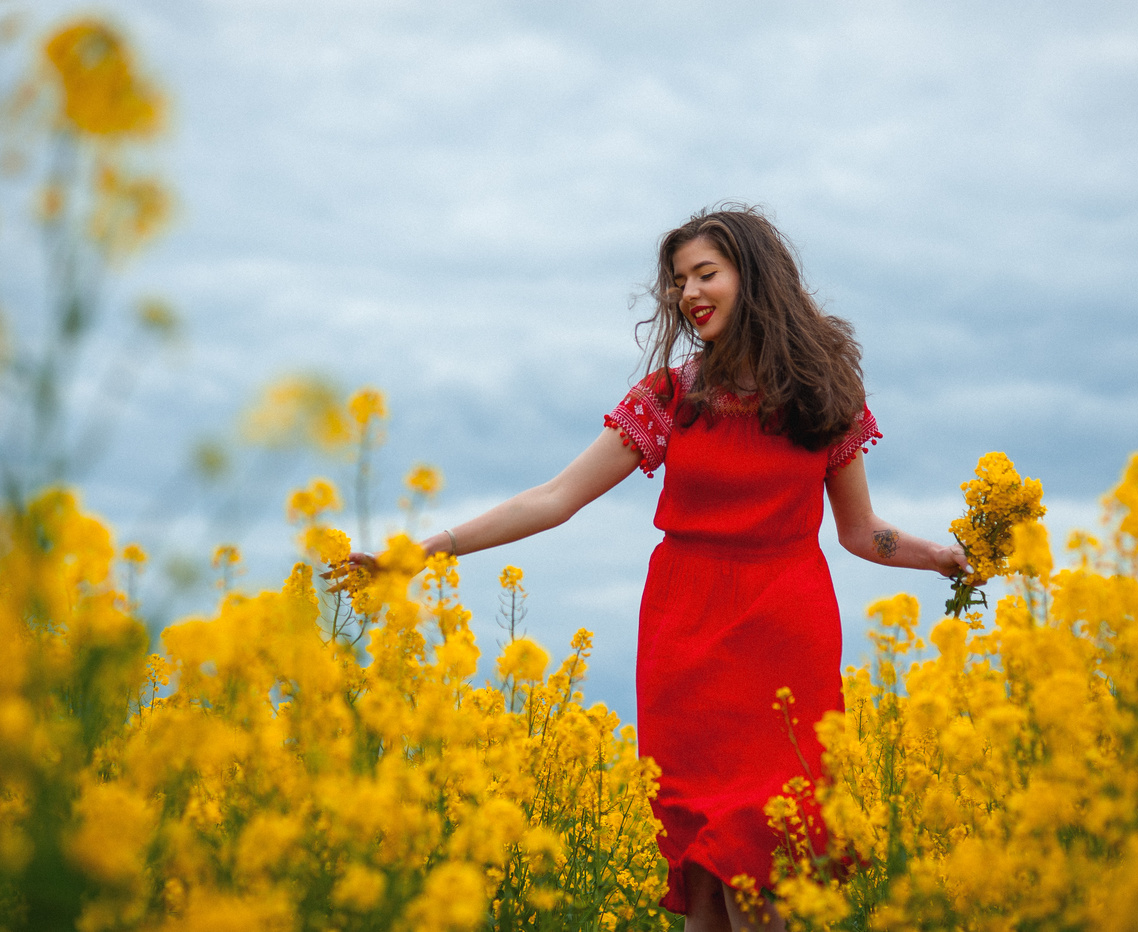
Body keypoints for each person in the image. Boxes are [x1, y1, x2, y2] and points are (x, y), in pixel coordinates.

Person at [349, 205, 967, 932]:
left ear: (755, 278)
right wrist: (424, 553)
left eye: (706, 274)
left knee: (765, 867)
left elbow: (862, 533)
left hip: (782, 643)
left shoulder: (822, 399)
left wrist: (945, 558)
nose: (687, 294)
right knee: (703, 878)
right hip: (686, 642)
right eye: (678, 281)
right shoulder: (672, 399)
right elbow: (555, 497)